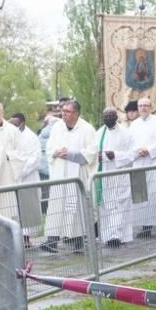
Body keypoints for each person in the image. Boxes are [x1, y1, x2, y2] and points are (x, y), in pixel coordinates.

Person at [42, 100, 97, 253]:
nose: (63, 114)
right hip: (60, 173)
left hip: (77, 174)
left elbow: (92, 152)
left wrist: (71, 154)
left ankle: (78, 241)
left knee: (77, 208)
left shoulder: (87, 129)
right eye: (63, 111)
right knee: (56, 207)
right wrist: (56, 152)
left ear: (76, 113)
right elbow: (49, 147)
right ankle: (51, 240)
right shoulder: (57, 127)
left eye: (67, 111)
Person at [128, 97, 156, 237]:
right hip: (139, 163)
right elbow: (129, 144)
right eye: (140, 106)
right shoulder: (134, 125)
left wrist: (149, 149)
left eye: (146, 105)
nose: (143, 108)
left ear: (151, 107)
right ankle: (145, 227)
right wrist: (138, 151)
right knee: (141, 195)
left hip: (154, 162)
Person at [94, 107, 136, 247]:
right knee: (106, 206)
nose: (108, 118)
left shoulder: (126, 133)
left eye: (111, 115)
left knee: (119, 205)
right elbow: (93, 153)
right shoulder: (99, 133)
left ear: (116, 117)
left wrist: (115, 155)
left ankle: (116, 236)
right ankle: (107, 236)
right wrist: (98, 157)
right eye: (106, 116)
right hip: (104, 177)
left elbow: (133, 154)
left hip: (119, 176)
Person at [8, 112, 43, 241]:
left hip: (27, 178)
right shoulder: (10, 136)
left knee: (27, 209)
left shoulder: (31, 138)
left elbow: (34, 159)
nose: (12, 127)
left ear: (22, 123)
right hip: (12, 178)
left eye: (14, 124)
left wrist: (19, 171)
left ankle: (27, 238)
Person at [0, 101, 22, 186]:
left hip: (8, 173)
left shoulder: (13, 131)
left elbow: (21, 152)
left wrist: (5, 156)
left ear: (2, 113)